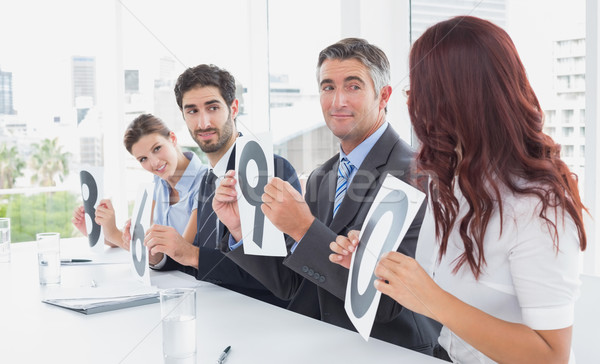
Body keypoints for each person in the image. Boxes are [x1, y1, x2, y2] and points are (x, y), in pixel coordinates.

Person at [331, 16, 587, 363]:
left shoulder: (539, 204)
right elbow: (437, 294)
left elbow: (550, 355)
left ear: (462, 98)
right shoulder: (446, 180)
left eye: (420, 91)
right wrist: (376, 264)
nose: (412, 103)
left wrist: (430, 297)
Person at [213, 38, 441, 353]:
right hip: (322, 343)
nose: (337, 102)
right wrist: (241, 229)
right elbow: (293, 284)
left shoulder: (418, 176)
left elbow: (387, 302)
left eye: (353, 86)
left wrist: (303, 228)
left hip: (389, 350)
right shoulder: (322, 176)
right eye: (328, 87)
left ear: (384, 95)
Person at [143, 64, 300, 307]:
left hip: (259, 316)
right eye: (192, 111)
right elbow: (194, 256)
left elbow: (278, 277)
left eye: (213, 108)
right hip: (214, 310)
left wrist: (191, 254)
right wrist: (159, 255)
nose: (203, 122)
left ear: (233, 108)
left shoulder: (268, 169)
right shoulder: (208, 179)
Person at [72, 113, 206, 250]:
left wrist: (113, 233)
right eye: (143, 159)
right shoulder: (158, 183)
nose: (154, 163)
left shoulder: (205, 183)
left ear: (172, 139)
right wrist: (94, 231)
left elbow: (179, 253)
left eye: (157, 148)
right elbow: (135, 241)